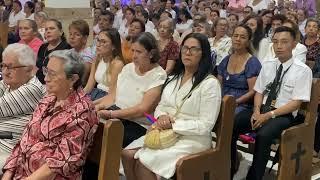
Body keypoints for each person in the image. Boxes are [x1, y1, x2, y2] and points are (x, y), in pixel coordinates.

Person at [121, 33, 221, 180]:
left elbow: (206, 125)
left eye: (194, 49)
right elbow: (161, 106)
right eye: (185, 48)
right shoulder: (173, 78)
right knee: (127, 154)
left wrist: (173, 125)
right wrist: (161, 116)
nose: (187, 52)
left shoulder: (210, 84)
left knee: (144, 162)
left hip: (193, 139)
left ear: (203, 53)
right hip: (165, 132)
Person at [1, 49, 99, 179]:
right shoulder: (47, 99)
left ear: (73, 79)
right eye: (46, 71)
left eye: (52, 74)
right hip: (22, 173)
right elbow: (23, 142)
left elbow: (62, 162)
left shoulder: (83, 110)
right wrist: (7, 175)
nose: (46, 78)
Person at [230, 26, 313, 180]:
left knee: (264, 134)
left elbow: (295, 104)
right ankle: (230, 165)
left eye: (284, 42)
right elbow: (259, 91)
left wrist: (268, 115)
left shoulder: (303, 70)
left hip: (284, 115)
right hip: (262, 110)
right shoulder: (268, 65)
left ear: (294, 44)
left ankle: (254, 177)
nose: (279, 46)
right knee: (232, 124)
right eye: (275, 42)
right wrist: (256, 111)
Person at [96, 32, 167, 147]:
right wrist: (96, 106)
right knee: (89, 125)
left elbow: (143, 109)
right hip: (116, 113)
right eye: (132, 50)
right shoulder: (128, 68)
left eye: (139, 52)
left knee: (106, 135)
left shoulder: (158, 75)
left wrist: (111, 114)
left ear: (151, 53)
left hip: (138, 123)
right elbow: (112, 96)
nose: (133, 56)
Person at [0, 43, 45, 168]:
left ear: (29, 69)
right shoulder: (9, 83)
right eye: (3, 66)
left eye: (11, 67)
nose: (5, 71)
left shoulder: (32, 88)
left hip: (10, 150)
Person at [218, 25, 261, 114]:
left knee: (227, 115)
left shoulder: (252, 62)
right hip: (222, 101)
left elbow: (253, 91)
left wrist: (235, 102)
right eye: (235, 36)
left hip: (242, 105)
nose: (238, 39)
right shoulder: (226, 60)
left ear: (248, 41)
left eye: (242, 37)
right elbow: (218, 85)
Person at [84, 29, 124, 101]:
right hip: (95, 93)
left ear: (113, 46)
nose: (98, 45)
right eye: (98, 40)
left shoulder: (117, 64)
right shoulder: (97, 59)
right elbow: (89, 86)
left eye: (104, 42)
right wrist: (78, 99)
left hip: (107, 99)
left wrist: (91, 105)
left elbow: (111, 95)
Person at [36, 19, 71, 84]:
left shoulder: (66, 48)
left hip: (56, 84)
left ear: (61, 32)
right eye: (46, 29)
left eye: (52, 28)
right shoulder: (43, 47)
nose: (48, 31)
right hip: (39, 83)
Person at [68, 19, 94, 85]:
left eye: (77, 34)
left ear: (85, 38)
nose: (72, 37)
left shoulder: (87, 57)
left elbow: (82, 82)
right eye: (70, 34)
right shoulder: (70, 52)